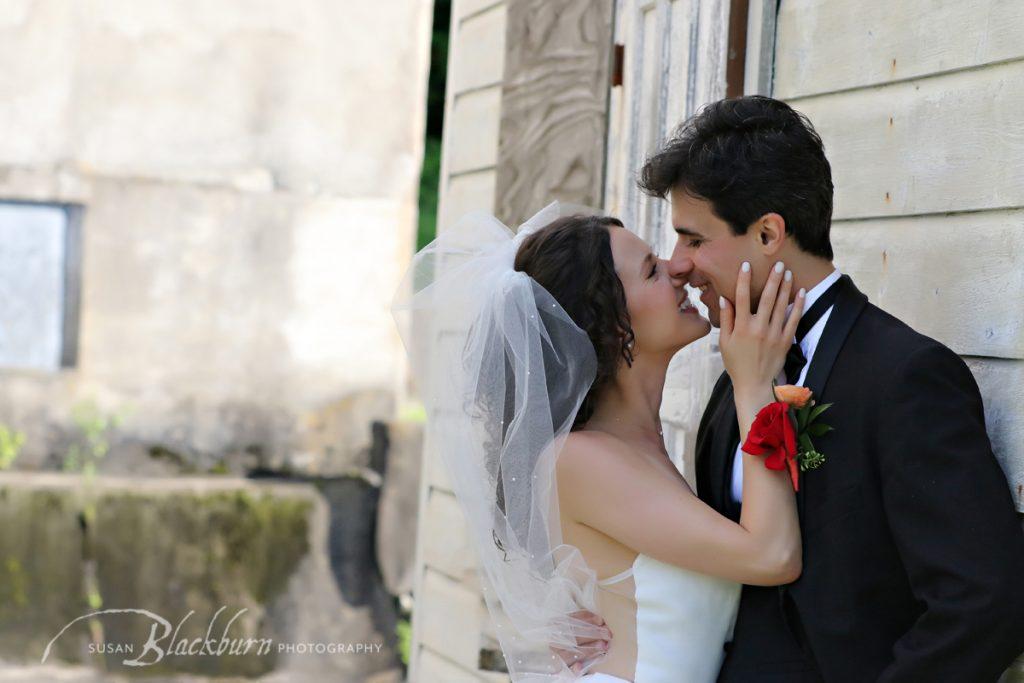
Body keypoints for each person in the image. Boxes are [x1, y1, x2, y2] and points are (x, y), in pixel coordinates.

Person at [573, 95, 1024, 682]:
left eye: (693, 238)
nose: (679, 264)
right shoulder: (735, 386)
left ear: (767, 235)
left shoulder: (903, 377)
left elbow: (988, 601)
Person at [394, 200, 808, 682]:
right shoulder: (578, 460)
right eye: (652, 271)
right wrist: (756, 388)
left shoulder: (638, 447)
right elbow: (771, 556)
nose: (678, 268)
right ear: (612, 322)